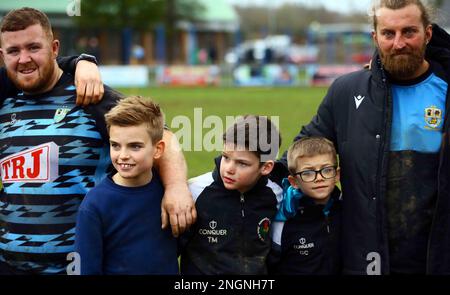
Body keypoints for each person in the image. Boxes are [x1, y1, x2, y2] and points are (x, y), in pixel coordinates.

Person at [0, 7, 194, 274]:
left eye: (34, 47)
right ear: (2, 55)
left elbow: (162, 138)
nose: (24, 59)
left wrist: (175, 187)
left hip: (80, 266)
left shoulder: (90, 96)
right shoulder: (4, 102)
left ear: (54, 48)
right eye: (13, 51)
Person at [273, 0, 450, 274]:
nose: (399, 43)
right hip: (367, 259)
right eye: (389, 34)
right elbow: (295, 157)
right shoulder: (345, 92)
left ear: (428, 34)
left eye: (409, 32)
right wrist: (210, 186)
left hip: (437, 258)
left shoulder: (446, 89)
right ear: (375, 37)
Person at [75, 96, 178, 275]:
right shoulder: (95, 204)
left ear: (158, 149)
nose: (123, 155)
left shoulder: (170, 197)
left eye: (135, 147)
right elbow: (85, 267)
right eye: (115, 145)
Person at [180, 115, 282, 275]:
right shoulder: (194, 191)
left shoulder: (276, 194)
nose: (228, 168)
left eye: (242, 163)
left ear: (266, 167)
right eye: (226, 157)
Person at [268, 137, 342, 275]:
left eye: (326, 170)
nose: (319, 178)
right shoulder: (283, 220)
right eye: (308, 173)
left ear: (337, 175)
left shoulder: (347, 210)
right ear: (294, 181)